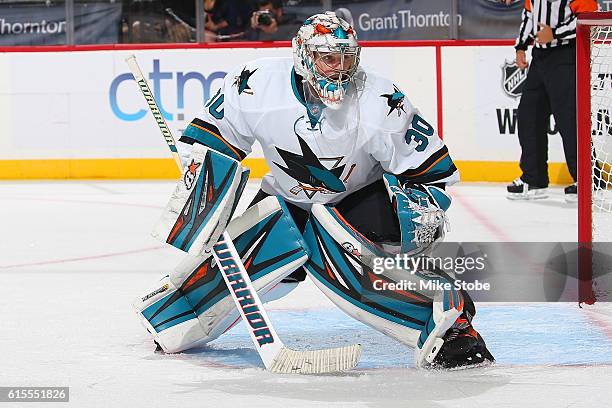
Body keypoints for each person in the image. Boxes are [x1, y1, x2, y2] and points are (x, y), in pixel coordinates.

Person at [134, 12, 494, 370]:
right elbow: (212, 143)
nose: (339, 69)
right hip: (286, 200)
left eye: (347, 57)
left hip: (358, 202)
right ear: (304, 56)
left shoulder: (379, 101)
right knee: (253, 255)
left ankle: (452, 327)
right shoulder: (256, 85)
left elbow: (432, 171)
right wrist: (205, 191)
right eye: (328, 58)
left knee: (343, 255)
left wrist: (417, 215)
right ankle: (179, 314)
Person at [505, 0, 598, 201]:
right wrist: (521, 46)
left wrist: (556, 34)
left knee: (569, 118)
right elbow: (529, 14)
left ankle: (587, 179)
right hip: (541, 56)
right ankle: (534, 179)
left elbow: (590, 17)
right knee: (529, 114)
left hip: (568, 54)